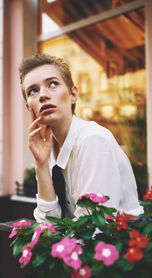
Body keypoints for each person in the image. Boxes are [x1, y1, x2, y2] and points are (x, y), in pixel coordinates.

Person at [19, 53, 143, 223]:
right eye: (33, 91)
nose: (43, 95)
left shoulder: (92, 140)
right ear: (29, 107)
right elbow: (49, 225)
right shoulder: (49, 149)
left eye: (53, 84)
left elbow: (92, 228)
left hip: (124, 244)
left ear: (73, 95)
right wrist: (41, 164)